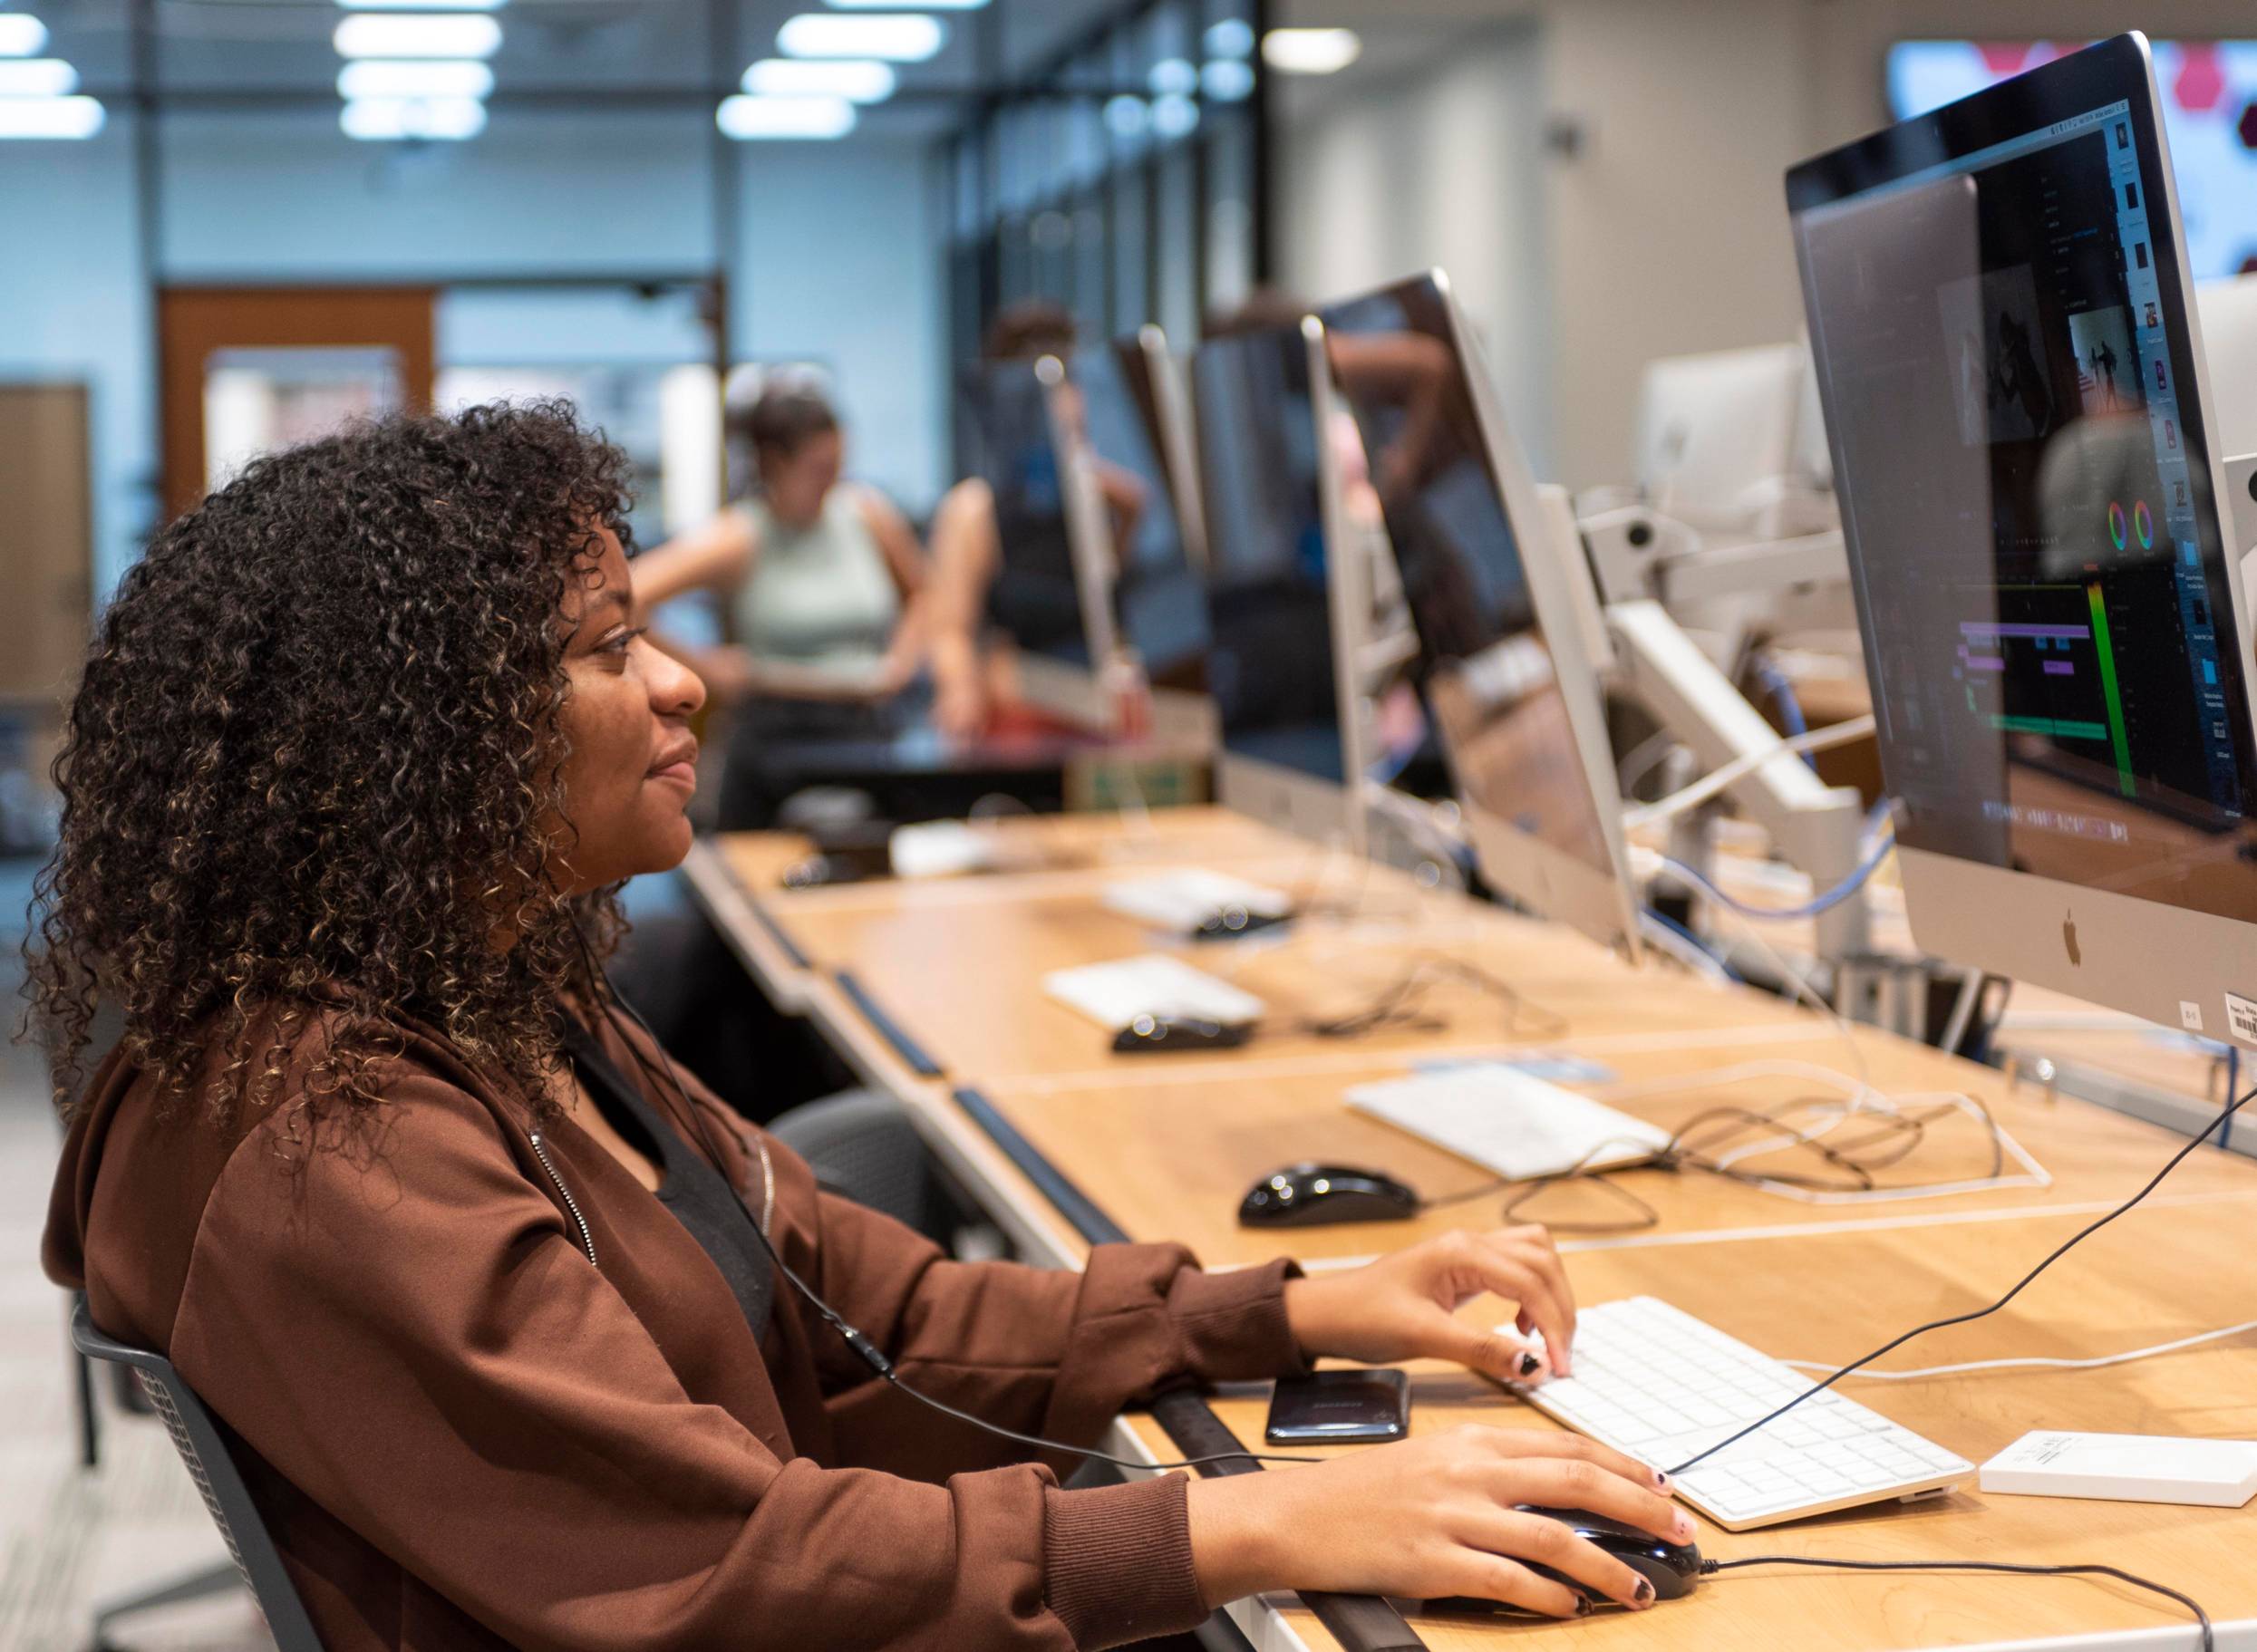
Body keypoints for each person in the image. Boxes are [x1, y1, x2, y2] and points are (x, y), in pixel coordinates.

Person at [33, 402, 1687, 1651]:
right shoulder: (329, 1143)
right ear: (423, 747)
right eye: (610, 650)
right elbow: (729, 1568)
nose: (683, 683)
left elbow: (864, 1309)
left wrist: (1294, 1306)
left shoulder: (494, 1003)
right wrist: (1255, 1524)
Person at [632, 380, 928, 826]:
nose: (831, 481)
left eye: (838, 465)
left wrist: (902, 662)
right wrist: (703, 668)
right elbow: (628, 597)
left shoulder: (866, 513)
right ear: (774, 464)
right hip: (776, 739)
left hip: (869, 731)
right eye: (818, 468)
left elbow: (925, 592)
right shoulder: (740, 535)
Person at [927, 302, 1147, 739]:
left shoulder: (1101, 496)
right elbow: (950, 630)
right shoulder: (976, 509)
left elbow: (1108, 596)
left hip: (1094, 701)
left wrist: (1125, 508)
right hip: (1018, 707)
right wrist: (959, 688)